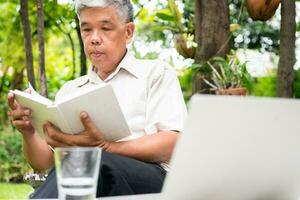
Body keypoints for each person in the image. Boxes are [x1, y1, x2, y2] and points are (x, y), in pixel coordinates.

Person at [7, 0, 187, 198]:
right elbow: (46, 163)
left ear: (128, 32)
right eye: (86, 30)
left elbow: (172, 142)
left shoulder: (155, 73)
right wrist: (29, 132)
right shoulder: (70, 90)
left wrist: (106, 148)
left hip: (154, 179)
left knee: (92, 161)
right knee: (78, 165)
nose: (94, 39)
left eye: (105, 28)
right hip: (89, 176)